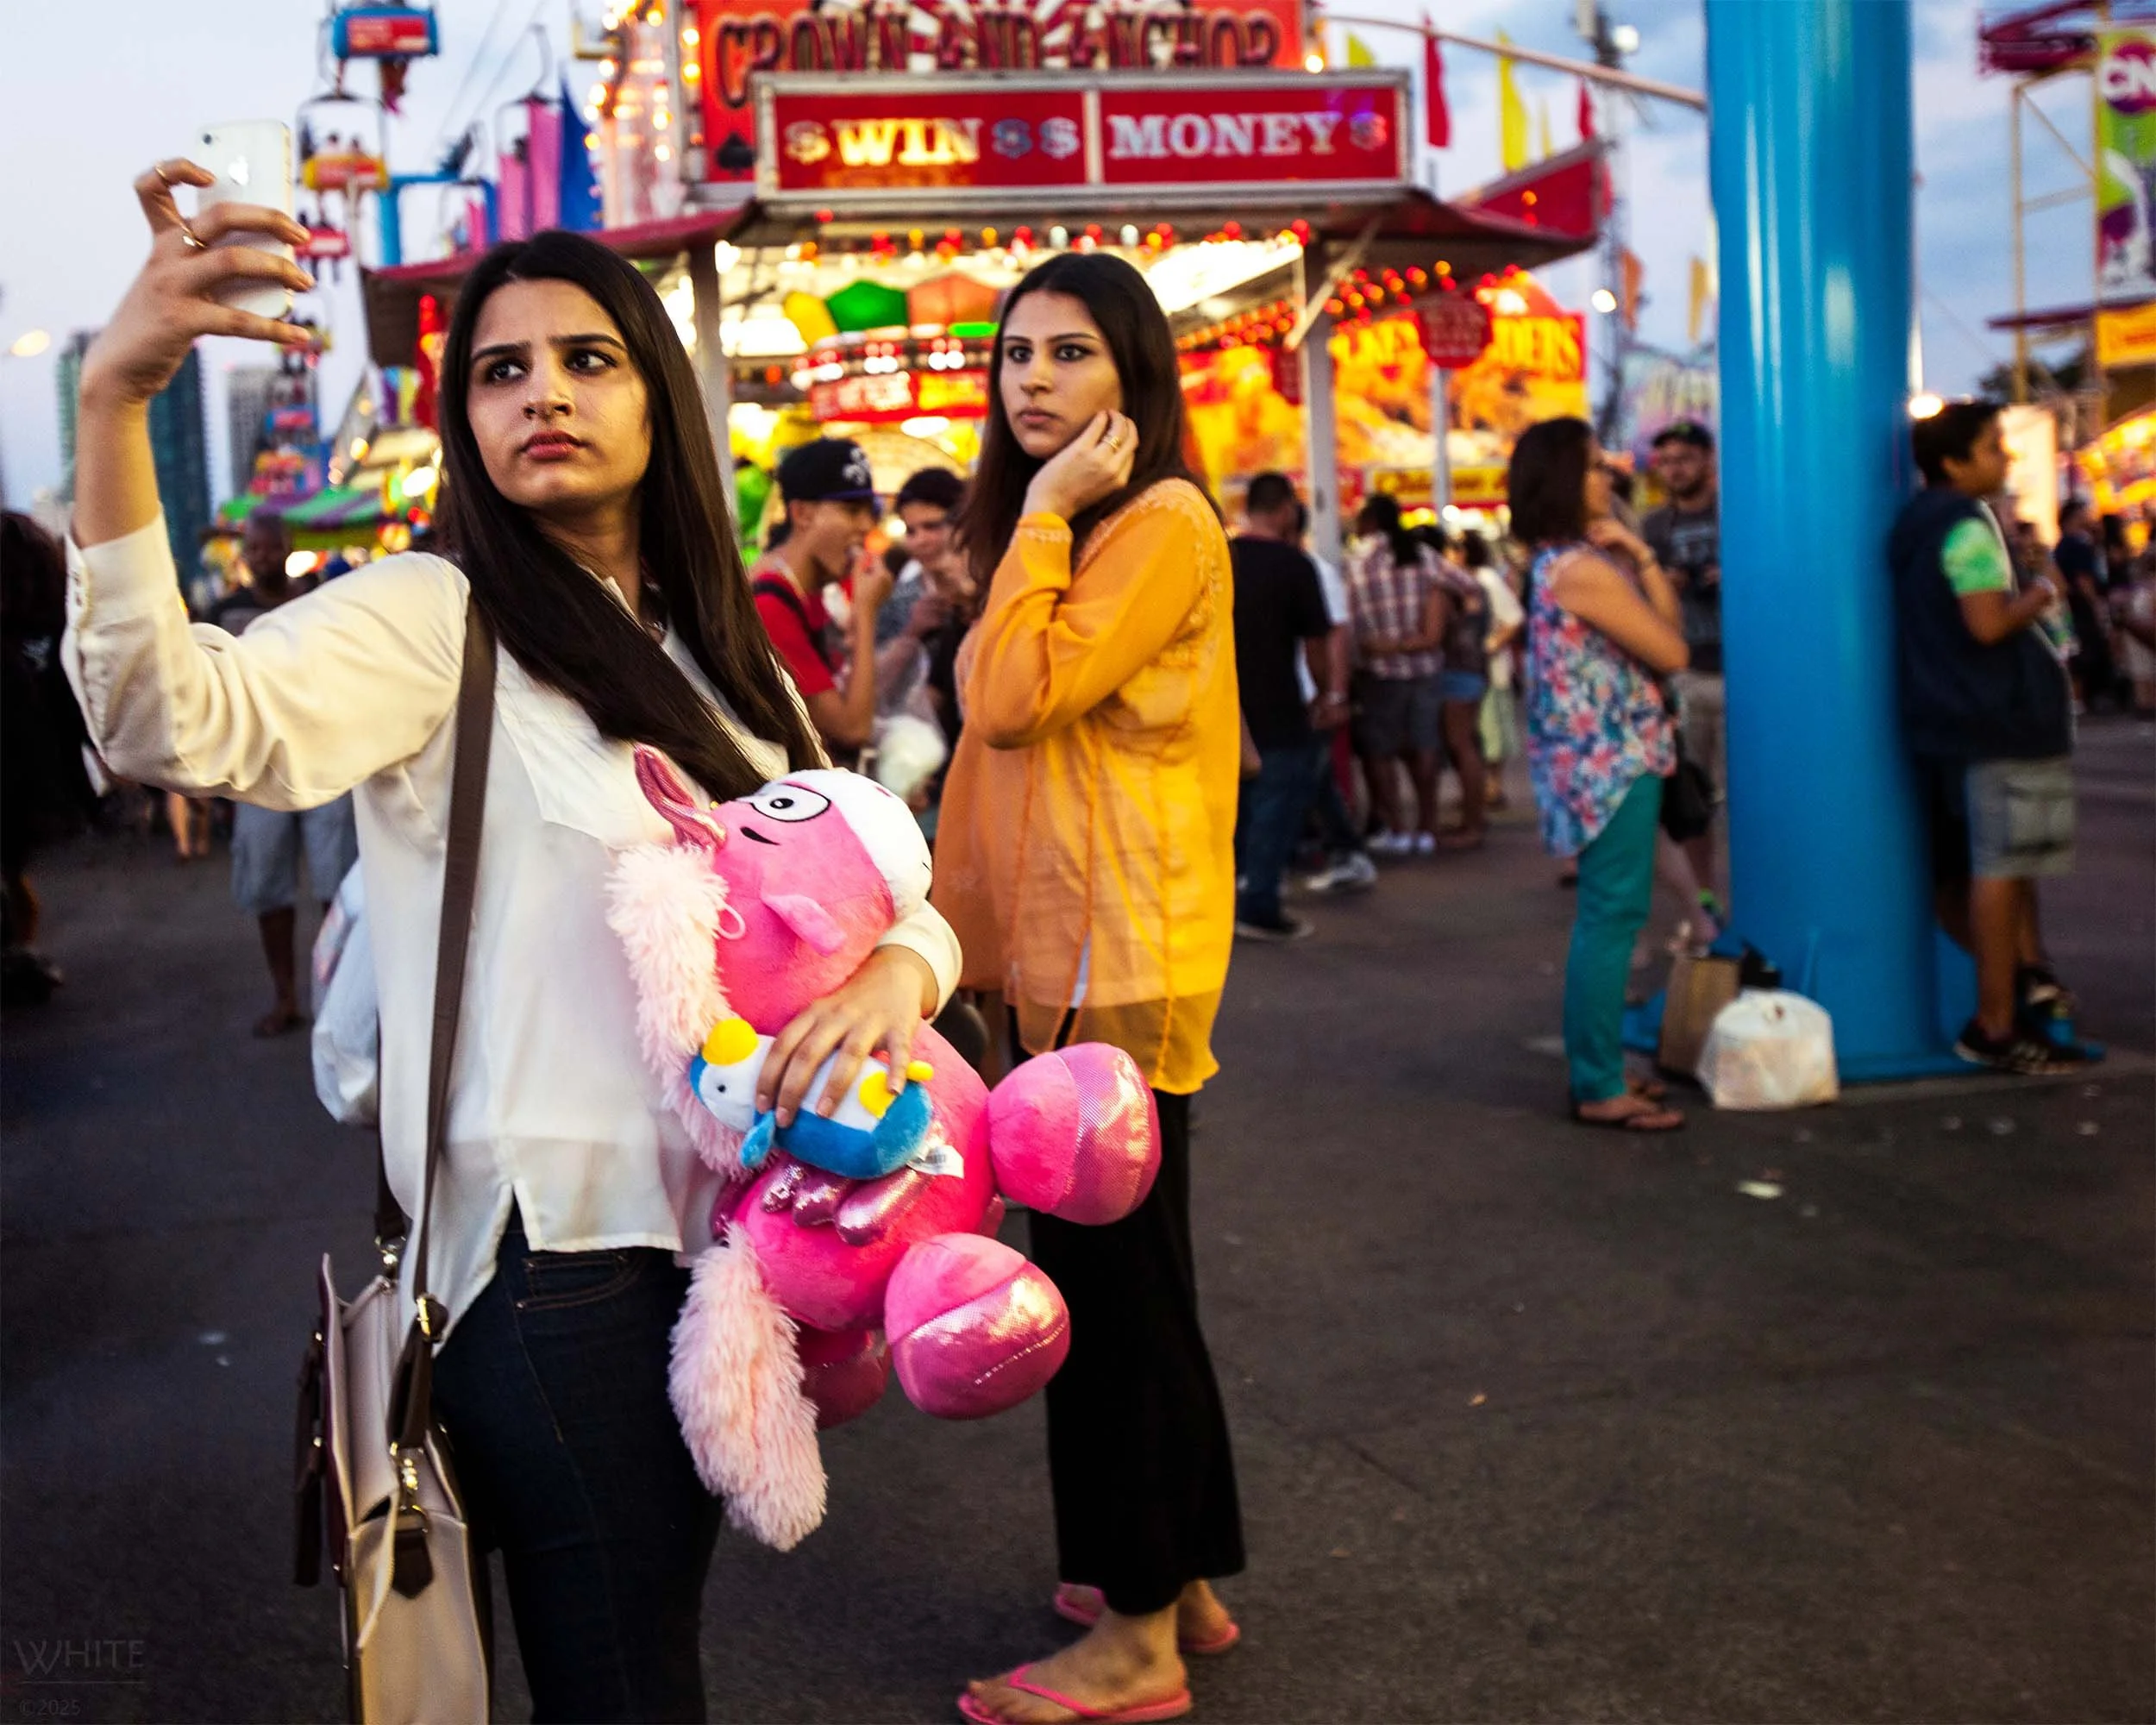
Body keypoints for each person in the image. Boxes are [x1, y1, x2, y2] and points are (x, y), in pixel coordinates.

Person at [66, 179, 958, 1720]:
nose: (542, 388)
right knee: (627, 1684)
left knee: (638, 1661)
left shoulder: (719, 654)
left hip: (726, 1267)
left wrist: (899, 976)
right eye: (500, 368)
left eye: (587, 357)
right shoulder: (434, 617)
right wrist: (114, 402)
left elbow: (882, 888)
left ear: (658, 397)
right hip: (552, 1275)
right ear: (466, 419)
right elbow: (170, 719)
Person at [932, 250, 1244, 1725]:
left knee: (1110, 1303)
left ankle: (1135, 1641)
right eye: (1017, 355)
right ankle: (1171, 1572)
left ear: (1134, 378)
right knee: (1138, 1284)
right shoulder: (1105, 525)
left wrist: (1042, 526)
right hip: (1077, 955)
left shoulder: (1153, 522)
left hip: (1109, 965)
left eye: (1070, 352)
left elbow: (1009, 703)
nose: (1035, 379)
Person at [1889, 400, 2091, 1072]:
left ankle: (2023, 989)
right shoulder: (1967, 527)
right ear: (1953, 462)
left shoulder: (1914, 524)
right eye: (1993, 447)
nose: (2006, 458)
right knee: (2004, 865)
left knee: (1982, 863)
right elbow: (1985, 625)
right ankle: (1998, 1021)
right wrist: (2038, 592)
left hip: (1951, 720)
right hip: (2002, 719)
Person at [1514, 418, 1689, 1133]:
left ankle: (1605, 1068)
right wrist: (1641, 564)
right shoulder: (1581, 570)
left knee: (1611, 917)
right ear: (1562, 480)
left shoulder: (1569, 561)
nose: (1607, 477)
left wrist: (1643, 557)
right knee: (1612, 920)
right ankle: (1598, 1082)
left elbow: (1664, 631)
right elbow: (1674, 650)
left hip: (1599, 763)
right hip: (1611, 765)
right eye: (1591, 468)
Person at [207, 508, 364, 1036]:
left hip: (324, 761)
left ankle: (340, 999)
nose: (262, 557)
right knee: (269, 891)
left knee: (336, 888)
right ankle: (286, 997)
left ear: (288, 546)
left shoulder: (320, 600)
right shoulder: (225, 611)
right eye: (254, 549)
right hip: (257, 769)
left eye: (270, 547)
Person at [1230, 471, 1336, 940]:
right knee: (1275, 808)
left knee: (1233, 812)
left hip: (1224, 708)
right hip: (1279, 708)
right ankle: (1260, 903)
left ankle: (1228, 899)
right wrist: (1327, 693)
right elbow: (1317, 643)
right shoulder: (1294, 565)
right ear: (1286, 510)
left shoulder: (1220, 557)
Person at [750, 436, 893, 760]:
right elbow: (851, 728)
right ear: (801, 514)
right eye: (851, 510)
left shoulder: (812, 589)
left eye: (869, 511)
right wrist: (866, 613)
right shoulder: (769, 605)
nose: (866, 525)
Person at [2, 512, 95, 1005]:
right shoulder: (57, 632)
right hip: (35, 784)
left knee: (13, 873)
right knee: (14, 872)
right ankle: (18, 951)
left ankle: (17, 953)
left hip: (27, 781)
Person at [1641, 419, 1725, 926]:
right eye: (1667, 462)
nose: (1674, 470)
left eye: (1685, 460)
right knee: (1692, 806)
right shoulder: (1652, 528)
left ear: (1708, 462)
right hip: (1685, 671)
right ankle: (1708, 909)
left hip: (1744, 671)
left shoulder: (1736, 515)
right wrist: (1662, 583)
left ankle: (1761, 900)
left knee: (1755, 799)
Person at [1344, 492, 1447, 856]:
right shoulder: (1423, 555)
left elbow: (1348, 622)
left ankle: (1398, 827)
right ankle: (1428, 827)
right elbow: (1466, 588)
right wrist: (1420, 636)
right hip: (1425, 669)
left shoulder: (1357, 560)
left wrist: (1380, 647)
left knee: (1381, 752)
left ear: (1369, 522)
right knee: (1425, 748)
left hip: (1378, 673)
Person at [1291, 498, 1378, 894]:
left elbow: (1335, 635)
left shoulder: (1315, 571)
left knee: (1306, 777)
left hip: (1309, 694)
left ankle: (1343, 849)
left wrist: (1334, 693)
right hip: (1298, 693)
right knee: (1312, 777)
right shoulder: (1302, 569)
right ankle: (1343, 849)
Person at [1421, 525, 1491, 849]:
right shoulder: (1471, 584)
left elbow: (1437, 634)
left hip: (1456, 671)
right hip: (1473, 669)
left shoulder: (1448, 586)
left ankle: (1473, 824)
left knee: (1461, 745)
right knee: (1466, 745)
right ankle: (1473, 819)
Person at [1462, 530, 1525, 810]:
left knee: (1492, 733)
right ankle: (1482, 788)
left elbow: (1513, 618)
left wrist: (1491, 645)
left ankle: (1493, 787)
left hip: (1490, 669)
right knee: (1477, 733)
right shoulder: (1466, 581)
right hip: (1474, 669)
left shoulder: (1487, 581)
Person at [2052, 499, 2117, 709]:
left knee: (2079, 649)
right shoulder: (2077, 544)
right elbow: (2083, 579)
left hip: (2070, 605)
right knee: (2086, 649)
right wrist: (2096, 603)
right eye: (2085, 512)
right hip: (2080, 607)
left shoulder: (2065, 543)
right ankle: (2084, 697)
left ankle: (2079, 698)